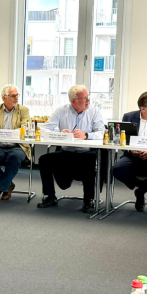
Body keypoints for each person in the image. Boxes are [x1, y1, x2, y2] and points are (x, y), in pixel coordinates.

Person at [36, 85, 106, 213]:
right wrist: (59, 133)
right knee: (44, 160)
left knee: (90, 161)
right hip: (66, 152)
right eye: (85, 98)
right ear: (74, 101)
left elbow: (102, 133)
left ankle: (88, 200)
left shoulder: (94, 112)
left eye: (88, 97)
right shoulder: (61, 111)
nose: (88, 100)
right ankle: (50, 196)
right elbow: (43, 130)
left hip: (86, 152)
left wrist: (86, 135)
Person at [0, 84, 31, 201]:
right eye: (13, 96)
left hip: (18, 146)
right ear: (4, 98)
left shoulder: (23, 110)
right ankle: (8, 185)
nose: (16, 98)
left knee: (14, 158)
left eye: (17, 95)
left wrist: (14, 132)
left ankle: (1, 188)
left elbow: (26, 126)